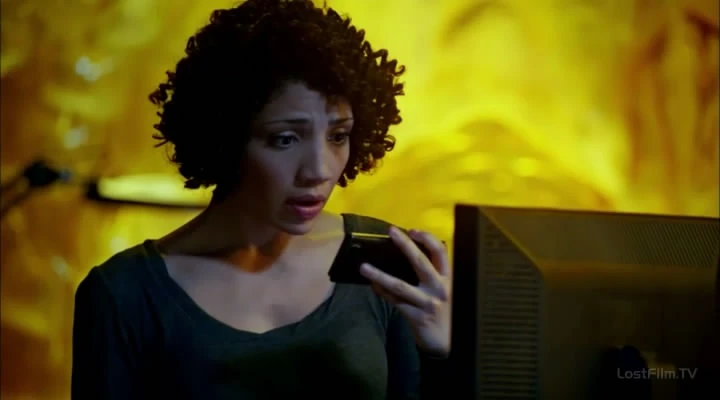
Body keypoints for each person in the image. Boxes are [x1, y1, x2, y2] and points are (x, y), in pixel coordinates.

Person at [70, 0, 452, 399]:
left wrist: (442, 354)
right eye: (285, 139)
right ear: (225, 138)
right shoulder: (124, 294)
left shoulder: (382, 265)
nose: (319, 170)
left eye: (338, 136)